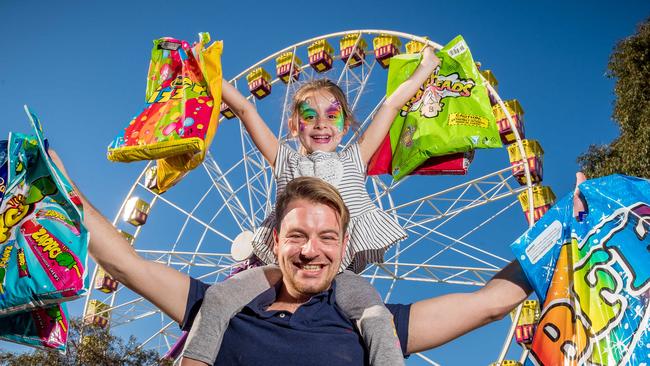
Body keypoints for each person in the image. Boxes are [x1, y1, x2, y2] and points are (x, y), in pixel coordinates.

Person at [180, 46, 443, 366]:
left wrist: (425, 69)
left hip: (337, 273)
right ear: (294, 126)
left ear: (346, 126)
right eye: (309, 116)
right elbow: (247, 111)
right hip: (280, 271)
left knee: (376, 317)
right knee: (219, 297)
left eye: (332, 116)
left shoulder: (354, 159)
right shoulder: (284, 161)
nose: (321, 124)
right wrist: (207, 74)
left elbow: (391, 105)